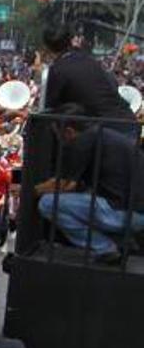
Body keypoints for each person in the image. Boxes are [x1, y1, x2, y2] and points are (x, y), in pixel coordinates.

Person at [36, 103, 144, 260]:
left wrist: (31, 191)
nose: (59, 140)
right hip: (136, 213)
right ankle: (121, 240)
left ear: (69, 131)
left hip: (125, 213)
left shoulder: (82, 141)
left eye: (58, 135)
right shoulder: (103, 134)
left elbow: (65, 185)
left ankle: (105, 247)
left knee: (48, 203)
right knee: (85, 196)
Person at [41, 27, 136, 120]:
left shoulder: (57, 70)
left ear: (47, 48)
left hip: (105, 127)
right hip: (128, 121)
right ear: (70, 42)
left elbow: (49, 110)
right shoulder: (90, 60)